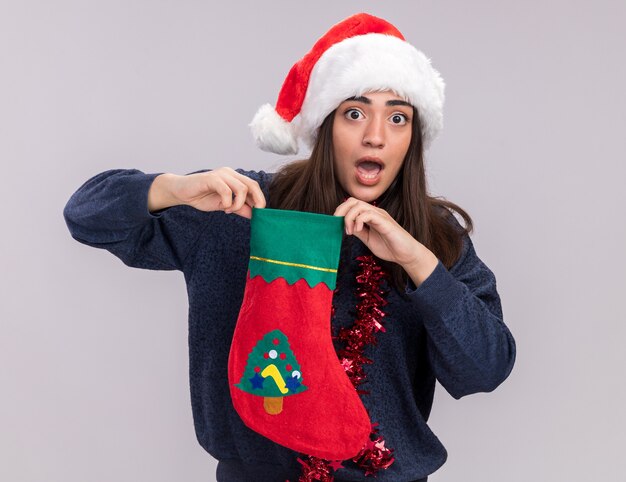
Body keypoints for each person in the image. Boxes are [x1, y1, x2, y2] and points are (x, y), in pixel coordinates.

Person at [63, 12, 516, 482]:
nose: (375, 135)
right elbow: (85, 215)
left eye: (397, 117)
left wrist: (419, 263)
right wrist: (174, 189)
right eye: (355, 113)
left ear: (412, 137)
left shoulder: (433, 235)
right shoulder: (243, 209)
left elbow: (486, 369)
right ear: (324, 126)